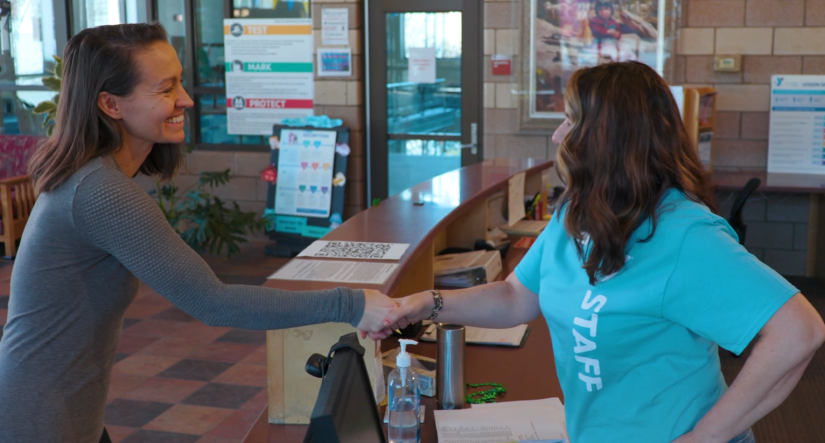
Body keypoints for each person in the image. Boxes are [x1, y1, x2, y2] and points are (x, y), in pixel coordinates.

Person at [383, 61, 825, 443]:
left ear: (609, 137)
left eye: (570, 121)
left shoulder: (683, 235)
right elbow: (515, 297)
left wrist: (707, 436)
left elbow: (799, 331)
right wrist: (428, 303)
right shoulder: (576, 210)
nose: (558, 135)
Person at [0, 23, 396, 443]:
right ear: (110, 104)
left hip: (67, 411)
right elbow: (214, 303)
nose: (186, 99)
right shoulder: (98, 191)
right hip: (37, 419)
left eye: (181, 83)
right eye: (166, 88)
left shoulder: (97, 179)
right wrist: (352, 304)